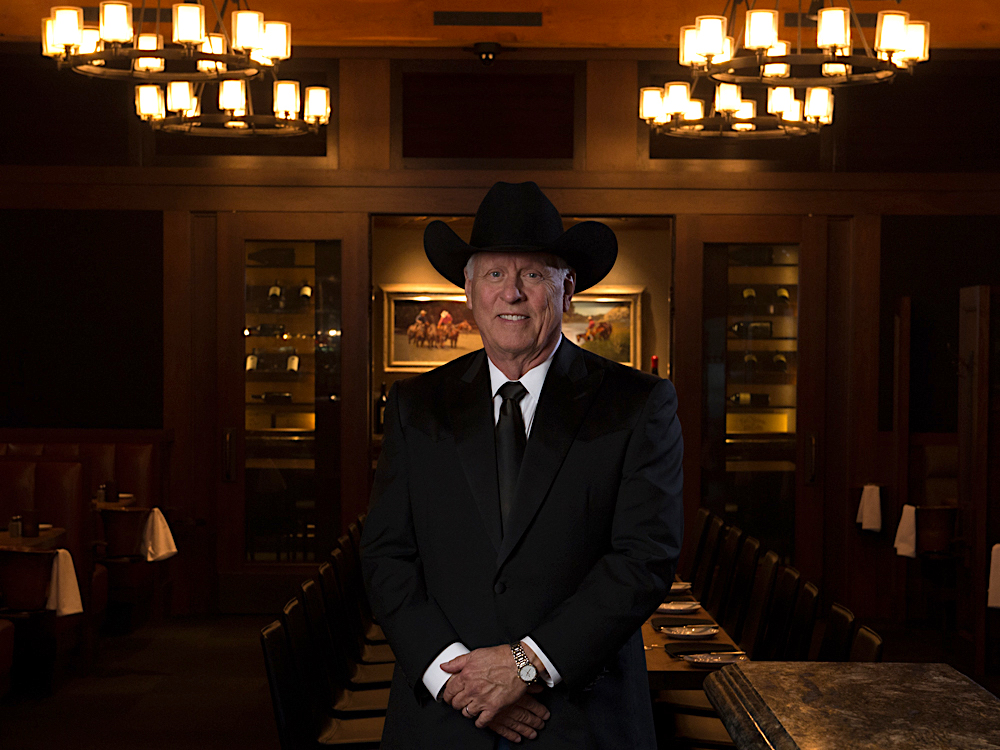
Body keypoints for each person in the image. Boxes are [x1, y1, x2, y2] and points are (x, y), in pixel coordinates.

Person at [362, 181, 683, 749]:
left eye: (533, 275)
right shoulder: (416, 406)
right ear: (467, 291)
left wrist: (526, 666)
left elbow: (643, 557)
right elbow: (388, 555)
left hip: (580, 717)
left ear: (567, 289)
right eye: (493, 275)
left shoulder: (636, 404)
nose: (511, 293)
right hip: (444, 718)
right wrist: (458, 682)